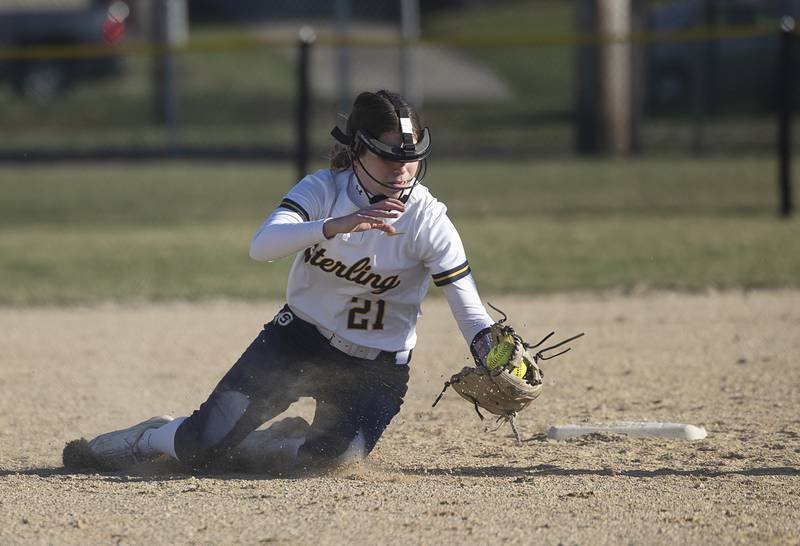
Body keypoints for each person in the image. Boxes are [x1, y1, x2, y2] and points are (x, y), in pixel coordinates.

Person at [66, 90, 498, 473]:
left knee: (330, 462)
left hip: (376, 368)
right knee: (201, 449)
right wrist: (335, 225)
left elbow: (468, 307)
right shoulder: (323, 190)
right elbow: (263, 245)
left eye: (411, 158)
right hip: (297, 344)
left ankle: (261, 441)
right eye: (389, 157)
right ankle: (153, 435)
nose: (402, 170)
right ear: (356, 151)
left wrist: (489, 351)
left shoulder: (428, 220)